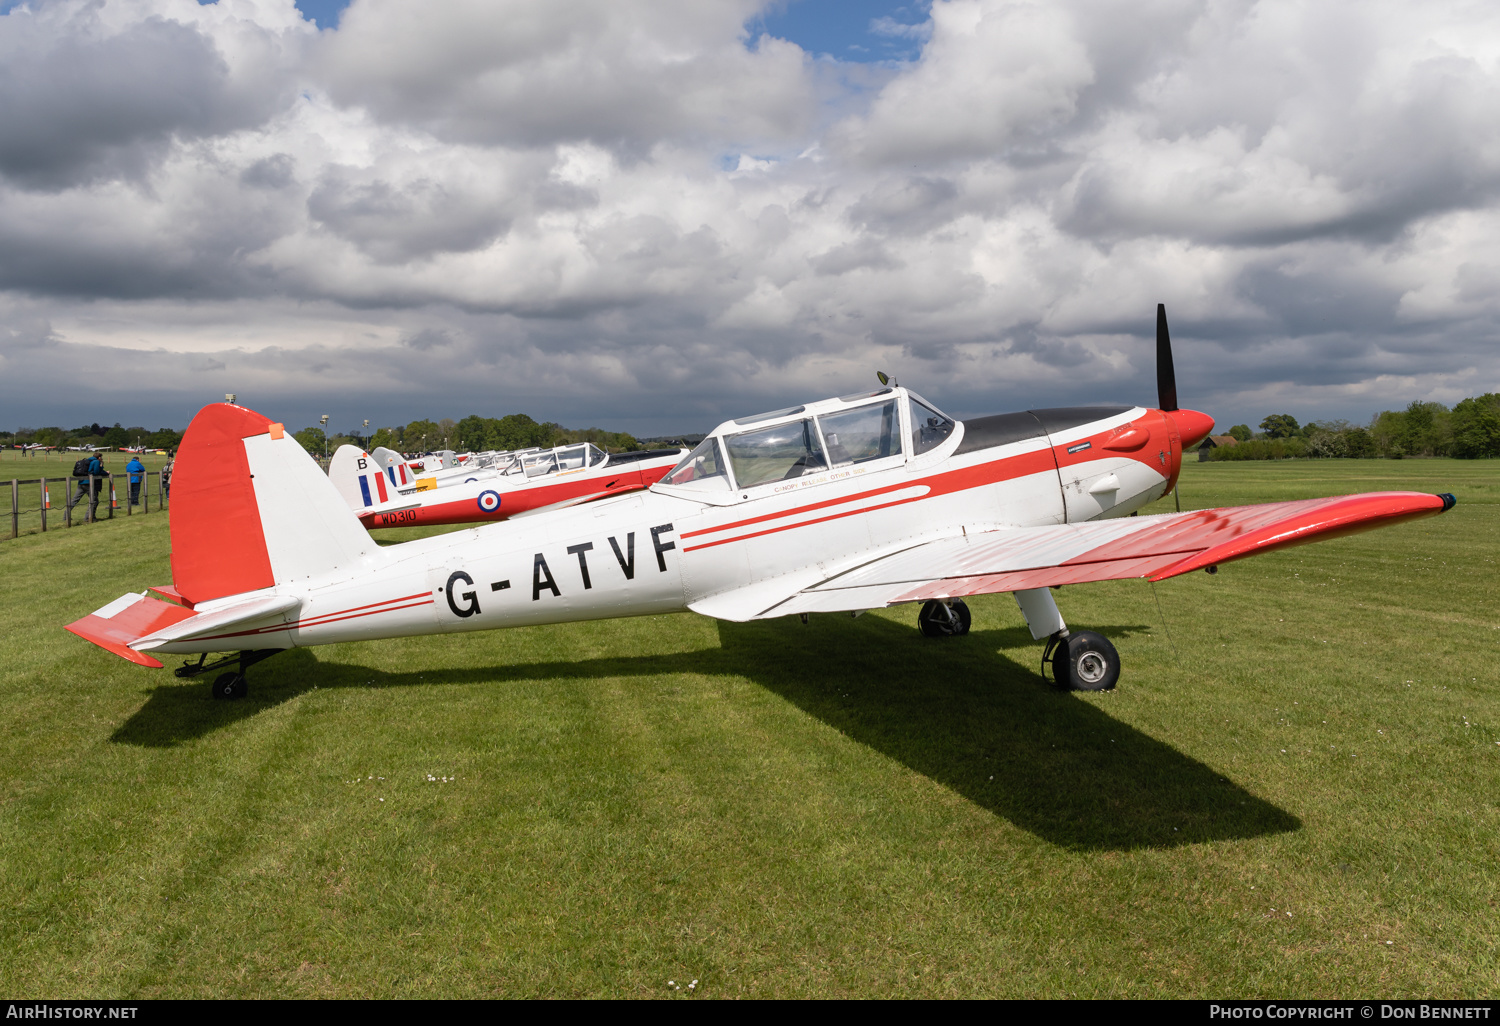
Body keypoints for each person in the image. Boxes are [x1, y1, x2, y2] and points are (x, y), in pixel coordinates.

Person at [67, 452, 105, 523]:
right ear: (99, 457)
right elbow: (96, 472)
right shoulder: (96, 461)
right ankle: (88, 518)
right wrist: (101, 466)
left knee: (75, 500)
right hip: (89, 483)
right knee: (94, 501)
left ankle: (66, 515)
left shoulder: (87, 461)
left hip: (81, 482)